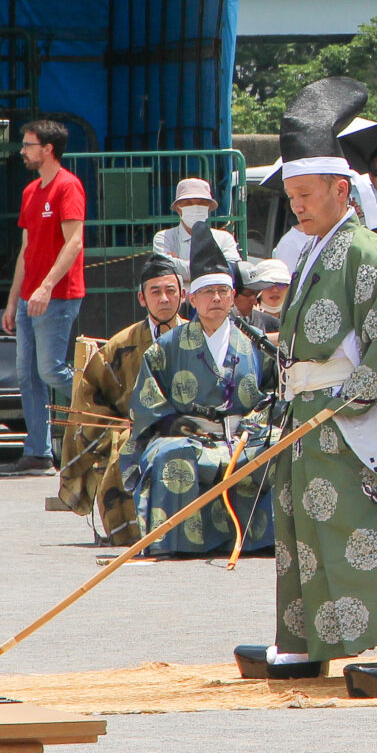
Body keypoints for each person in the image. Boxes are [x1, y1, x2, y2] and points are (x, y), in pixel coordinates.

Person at [234, 77, 377, 695]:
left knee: (363, 528)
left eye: (305, 194)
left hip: (349, 417)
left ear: (340, 189)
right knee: (304, 534)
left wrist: (362, 391)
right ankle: (305, 642)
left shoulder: (362, 250)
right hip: (307, 414)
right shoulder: (313, 251)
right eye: (291, 196)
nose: (296, 206)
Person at [130, 229, 278, 558]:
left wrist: (255, 422)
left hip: (245, 435)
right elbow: (148, 401)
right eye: (208, 292)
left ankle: (264, 539)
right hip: (190, 436)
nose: (216, 299)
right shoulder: (167, 347)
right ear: (192, 299)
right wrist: (171, 423)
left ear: (233, 296)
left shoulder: (254, 340)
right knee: (171, 455)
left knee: (281, 448)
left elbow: (274, 392)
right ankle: (179, 542)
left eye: (223, 291)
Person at [57, 257, 185, 539]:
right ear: (142, 298)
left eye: (171, 291)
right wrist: (118, 427)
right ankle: (133, 534)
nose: (164, 299)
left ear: (183, 294)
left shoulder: (197, 337)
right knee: (125, 449)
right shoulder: (121, 345)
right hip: (136, 430)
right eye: (155, 292)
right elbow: (88, 402)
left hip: (191, 429)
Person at [1, 117, 86, 476]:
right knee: (29, 375)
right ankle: (38, 451)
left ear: (48, 149)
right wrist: (13, 300)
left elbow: (74, 242)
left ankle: (104, 400)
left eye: (28, 145)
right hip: (28, 297)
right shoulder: (30, 191)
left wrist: (47, 286)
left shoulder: (68, 186)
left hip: (58, 295)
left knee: (50, 370)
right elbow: (26, 249)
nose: (22, 151)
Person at [152, 178, 244, 279]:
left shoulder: (224, 238)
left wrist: (180, 265)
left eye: (201, 203)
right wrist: (213, 265)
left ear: (208, 208)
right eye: (189, 203)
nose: (195, 207)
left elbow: (231, 270)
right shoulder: (164, 237)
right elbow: (165, 269)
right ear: (178, 209)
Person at [235, 257, 292, 333]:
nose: (275, 290)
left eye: (281, 284)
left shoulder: (296, 320)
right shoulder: (242, 317)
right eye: (268, 285)